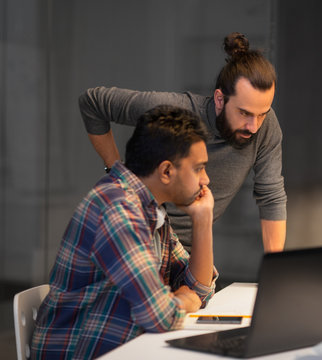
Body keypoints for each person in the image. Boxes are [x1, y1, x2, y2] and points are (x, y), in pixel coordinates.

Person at [31, 105, 218, 359]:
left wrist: (203, 220)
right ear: (166, 171)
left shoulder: (150, 210)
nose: (205, 179)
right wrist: (185, 300)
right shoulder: (119, 210)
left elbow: (199, 288)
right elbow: (161, 316)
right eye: (198, 168)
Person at [79, 32, 287, 253]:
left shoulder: (264, 127)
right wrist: (116, 172)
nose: (254, 126)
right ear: (219, 99)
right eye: (244, 113)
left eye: (262, 114)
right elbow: (92, 102)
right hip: (140, 242)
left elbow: (271, 197)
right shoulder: (175, 112)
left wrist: (273, 271)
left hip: (187, 254)